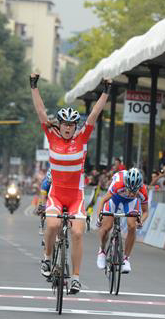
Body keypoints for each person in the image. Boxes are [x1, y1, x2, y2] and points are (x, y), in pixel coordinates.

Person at [31, 72, 111, 294]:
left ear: (76, 126)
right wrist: (33, 86)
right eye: (64, 124)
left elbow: (94, 113)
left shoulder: (81, 138)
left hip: (75, 196)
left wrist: (106, 92)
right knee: (54, 225)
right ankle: (47, 258)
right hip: (56, 194)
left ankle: (75, 277)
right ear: (60, 125)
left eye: (71, 124)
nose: (67, 127)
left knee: (77, 234)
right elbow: (40, 111)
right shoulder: (52, 135)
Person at [96, 168, 149, 274]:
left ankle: (126, 259)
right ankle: (102, 251)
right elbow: (103, 200)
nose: (131, 193)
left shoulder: (143, 190)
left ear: (139, 187)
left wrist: (141, 221)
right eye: (129, 190)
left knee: (132, 226)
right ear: (126, 184)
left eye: (135, 191)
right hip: (114, 198)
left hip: (130, 203)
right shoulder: (118, 184)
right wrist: (99, 217)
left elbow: (146, 212)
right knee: (106, 227)